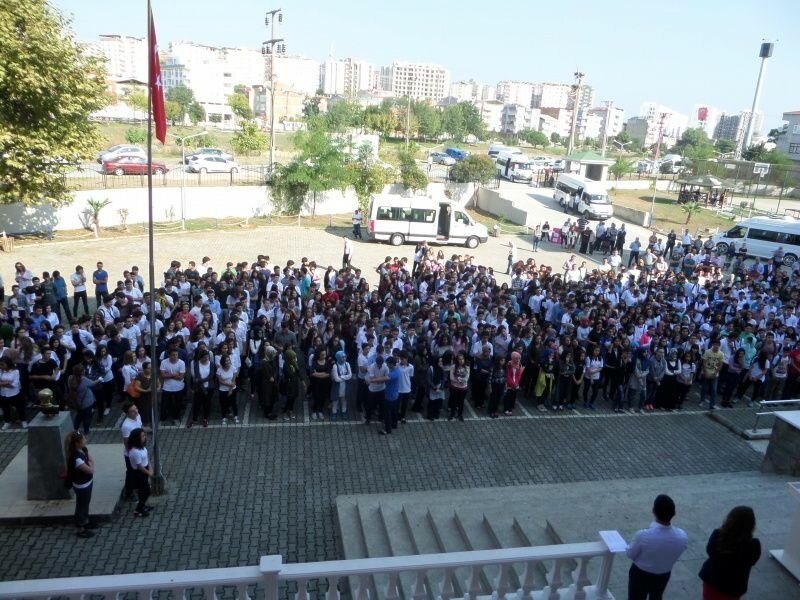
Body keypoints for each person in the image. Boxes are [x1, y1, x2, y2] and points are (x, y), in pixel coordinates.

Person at [626, 494, 688, 600]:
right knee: (656, 596)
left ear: (653, 511)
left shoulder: (643, 535)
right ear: (674, 513)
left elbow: (630, 554)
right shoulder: (682, 536)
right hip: (663, 574)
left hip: (640, 574)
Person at [698, 506, 761, 600]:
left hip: (712, 580)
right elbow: (752, 561)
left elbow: (709, 551)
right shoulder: (753, 545)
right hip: (734, 587)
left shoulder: (717, 535)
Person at [64, 431, 98, 538]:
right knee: (81, 506)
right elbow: (90, 470)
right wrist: (91, 465)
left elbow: (91, 460)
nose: (86, 441)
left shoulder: (83, 449)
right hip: (82, 486)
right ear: (77, 444)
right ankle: (80, 527)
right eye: (83, 440)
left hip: (87, 483)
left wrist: (91, 464)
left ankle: (86, 520)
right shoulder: (77, 459)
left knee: (85, 503)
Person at [127, 428, 154, 517]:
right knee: (146, 491)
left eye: (144, 435)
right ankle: (138, 510)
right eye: (142, 436)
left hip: (144, 469)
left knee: (143, 491)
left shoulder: (141, 447)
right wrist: (148, 472)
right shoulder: (135, 452)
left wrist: (150, 467)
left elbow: (146, 458)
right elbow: (139, 466)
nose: (144, 437)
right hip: (139, 473)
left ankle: (142, 505)